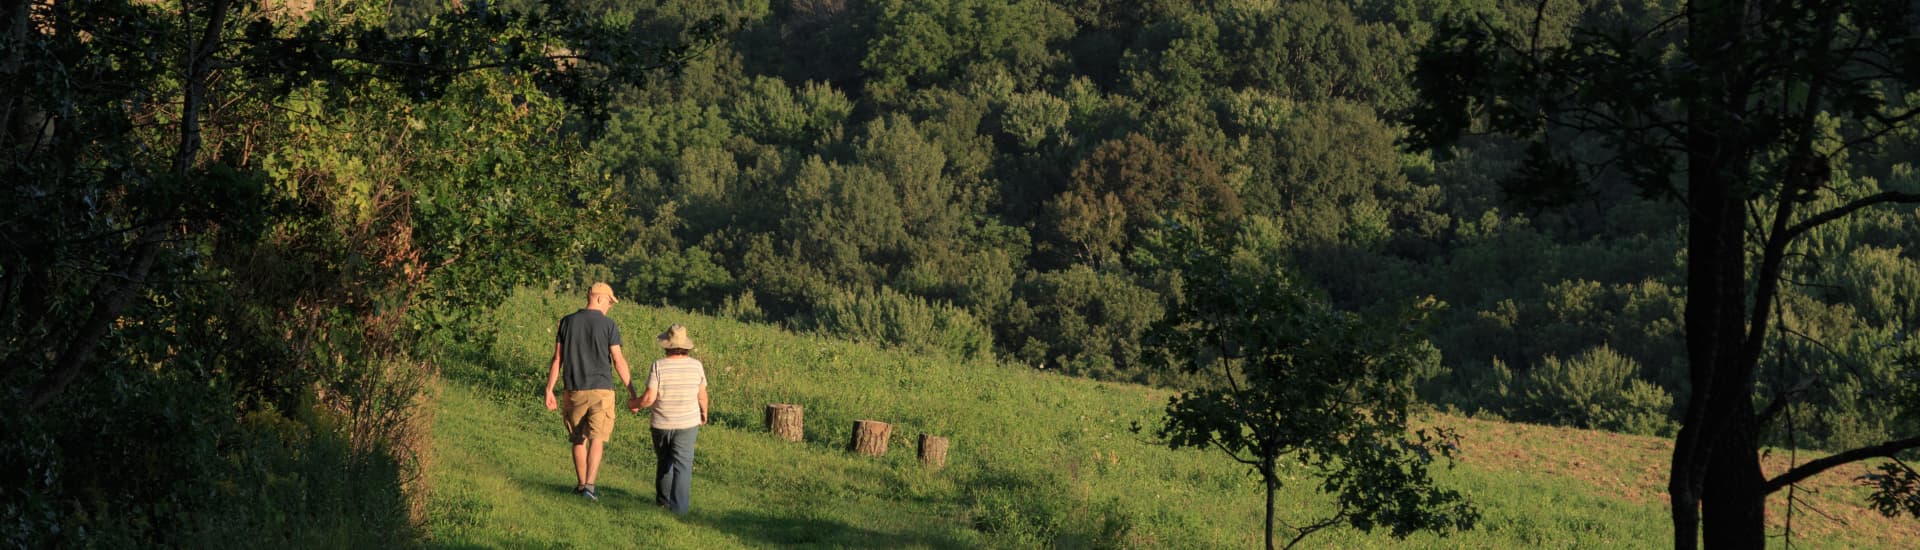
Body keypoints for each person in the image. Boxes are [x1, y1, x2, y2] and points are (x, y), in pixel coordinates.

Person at [543, 282, 636, 502]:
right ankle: (590, 487)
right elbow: (618, 360)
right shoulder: (608, 325)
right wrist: (632, 392)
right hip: (602, 390)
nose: (609, 307)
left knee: (578, 438)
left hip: (573, 389)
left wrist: (549, 390)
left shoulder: (567, 322)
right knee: (597, 437)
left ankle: (581, 484)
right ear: (600, 298)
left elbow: (558, 359)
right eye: (610, 303)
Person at [629, 324, 709, 515]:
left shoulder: (659, 365)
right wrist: (704, 412)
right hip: (687, 423)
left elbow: (649, 398)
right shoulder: (696, 365)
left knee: (664, 461)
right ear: (686, 346)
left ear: (667, 344)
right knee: (682, 465)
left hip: (661, 423)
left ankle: (663, 502)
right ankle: (679, 509)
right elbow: (702, 394)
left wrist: (635, 403)